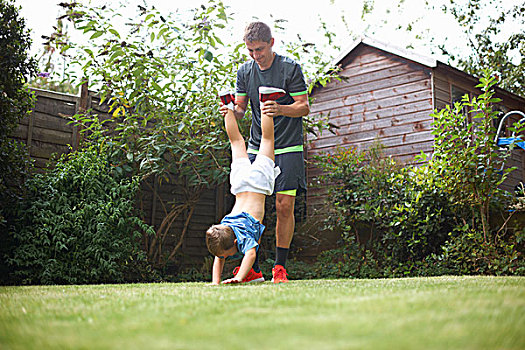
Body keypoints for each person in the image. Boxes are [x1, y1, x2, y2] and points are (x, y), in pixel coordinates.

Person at [219, 21, 310, 283]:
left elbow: (303, 106)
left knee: (283, 206)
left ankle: (279, 268)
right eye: (250, 51)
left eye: (259, 49)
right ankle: (253, 269)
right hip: (258, 146)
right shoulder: (245, 72)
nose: (255, 55)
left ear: (271, 43)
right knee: (249, 210)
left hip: (289, 146)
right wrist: (230, 112)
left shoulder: (290, 68)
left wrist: (281, 109)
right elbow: (240, 109)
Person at [207, 89, 281, 284]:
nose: (228, 257)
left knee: (267, 140)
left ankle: (265, 100)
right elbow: (219, 255)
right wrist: (215, 282)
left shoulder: (243, 234)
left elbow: (250, 255)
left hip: (257, 184)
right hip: (240, 183)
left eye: (229, 254)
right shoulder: (224, 228)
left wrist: (238, 278)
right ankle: (227, 105)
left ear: (234, 243)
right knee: (236, 141)